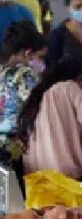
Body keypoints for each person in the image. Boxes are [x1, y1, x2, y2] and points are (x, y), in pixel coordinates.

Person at [17, 58, 82, 179]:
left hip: (38, 182)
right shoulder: (69, 87)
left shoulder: (38, 96)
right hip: (67, 179)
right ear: (81, 78)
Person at [0, 21, 46, 167]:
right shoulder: (26, 75)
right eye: (41, 57)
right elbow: (39, 109)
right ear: (28, 54)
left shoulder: (2, 71)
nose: (43, 63)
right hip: (14, 148)